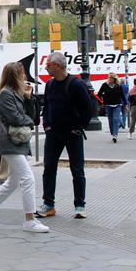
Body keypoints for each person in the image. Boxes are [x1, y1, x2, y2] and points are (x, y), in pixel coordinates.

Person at [0, 62, 48, 233]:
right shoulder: (5, 95)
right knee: (28, 179)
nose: (25, 77)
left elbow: (32, 116)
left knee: (13, 181)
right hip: (10, 142)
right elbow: (16, 118)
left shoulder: (17, 94)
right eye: (22, 74)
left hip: (17, 141)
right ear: (15, 75)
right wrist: (29, 120)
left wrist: (29, 97)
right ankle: (29, 220)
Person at [37, 52, 93, 219]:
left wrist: (79, 127)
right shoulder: (49, 85)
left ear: (58, 66)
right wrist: (46, 125)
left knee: (77, 169)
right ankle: (48, 204)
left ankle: (80, 205)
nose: (46, 67)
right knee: (49, 168)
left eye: (48, 64)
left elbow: (88, 109)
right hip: (53, 133)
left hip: (72, 133)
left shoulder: (76, 84)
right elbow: (46, 107)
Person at [97, 73, 125, 142]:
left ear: (114, 79)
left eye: (111, 78)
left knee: (115, 119)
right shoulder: (104, 85)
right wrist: (101, 103)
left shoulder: (118, 86)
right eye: (109, 78)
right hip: (108, 105)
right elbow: (99, 94)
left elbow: (122, 96)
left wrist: (126, 104)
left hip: (117, 105)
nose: (110, 79)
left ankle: (115, 135)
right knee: (110, 120)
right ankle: (113, 133)